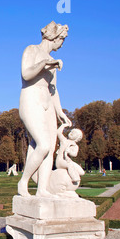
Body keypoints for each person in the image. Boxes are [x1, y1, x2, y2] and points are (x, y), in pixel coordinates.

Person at [17, 21, 72, 197]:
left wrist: (60, 111)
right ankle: (23, 182)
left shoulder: (53, 63)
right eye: (61, 39)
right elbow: (26, 74)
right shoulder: (31, 50)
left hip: (47, 103)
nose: (62, 44)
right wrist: (46, 64)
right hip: (31, 99)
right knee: (43, 145)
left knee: (50, 149)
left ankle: (42, 189)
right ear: (54, 37)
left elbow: (53, 90)